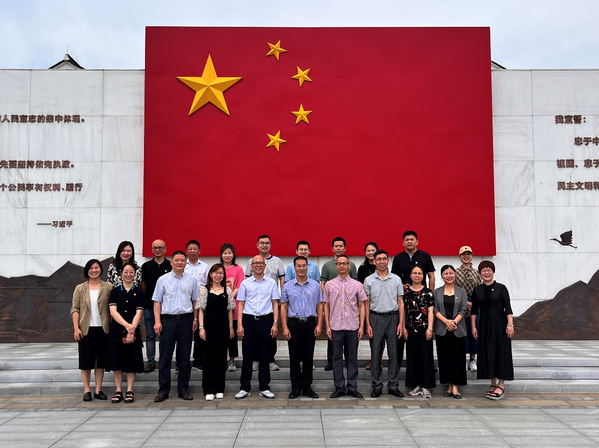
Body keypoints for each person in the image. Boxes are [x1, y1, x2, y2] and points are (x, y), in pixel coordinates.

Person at [153, 250, 200, 402]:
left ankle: (183, 390)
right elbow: (157, 302)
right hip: (168, 321)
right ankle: (163, 391)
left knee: (184, 357)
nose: (180, 262)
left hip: (186, 320)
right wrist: (157, 321)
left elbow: (195, 301)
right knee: (165, 357)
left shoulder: (191, 280)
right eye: (177, 260)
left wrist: (195, 319)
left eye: (182, 260)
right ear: (171, 262)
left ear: (186, 263)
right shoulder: (163, 280)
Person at [235, 255, 280, 399]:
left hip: (266, 321)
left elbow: (275, 303)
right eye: (256, 263)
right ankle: (244, 387)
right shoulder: (245, 283)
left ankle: (264, 387)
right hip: (249, 321)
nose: (258, 265)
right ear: (251, 266)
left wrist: (275, 323)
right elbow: (241, 304)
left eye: (261, 263)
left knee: (265, 355)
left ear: (265, 266)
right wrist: (240, 325)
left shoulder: (271, 283)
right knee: (247, 356)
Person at [324, 254, 367, 399]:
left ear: (349, 266)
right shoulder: (329, 285)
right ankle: (339, 387)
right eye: (339, 263)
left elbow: (362, 305)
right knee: (336, 358)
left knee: (352, 358)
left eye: (344, 263)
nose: (342, 266)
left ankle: (352, 387)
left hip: (353, 326)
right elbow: (326, 306)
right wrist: (327, 326)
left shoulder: (357, 285)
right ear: (336, 266)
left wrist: (361, 326)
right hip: (335, 326)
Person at [363, 250, 405, 398]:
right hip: (376, 318)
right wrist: (367, 324)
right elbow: (366, 303)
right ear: (374, 261)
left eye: (384, 259)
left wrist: (401, 323)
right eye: (378, 259)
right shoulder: (369, 280)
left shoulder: (396, 279)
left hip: (393, 318)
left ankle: (393, 385)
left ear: (388, 260)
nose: (381, 261)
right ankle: (377, 385)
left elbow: (400, 302)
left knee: (394, 354)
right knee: (376, 354)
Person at [471, 260, 514, 400]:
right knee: (487, 353)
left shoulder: (501, 288)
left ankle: (501, 385)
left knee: (501, 353)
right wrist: (473, 327)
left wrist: (510, 324)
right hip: (484, 326)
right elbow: (474, 311)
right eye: (483, 270)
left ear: (493, 271)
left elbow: (508, 309)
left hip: (500, 326)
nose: (486, 272)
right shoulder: (477, 290)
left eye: (489, 269)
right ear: (480, 273)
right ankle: (492, 383)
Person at [281, 256, 323, 399]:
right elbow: (284, 306)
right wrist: (284, 327)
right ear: (294, 268)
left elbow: (320, 304)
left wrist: (319, 324)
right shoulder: (287, 286)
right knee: (293, 357)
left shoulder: (315, 285)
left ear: (307, 267)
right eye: (298, 266)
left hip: (310, 323)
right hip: (294, 323)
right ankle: (295, 388)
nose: (301, 268)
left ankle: (307, 387)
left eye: (304, 266)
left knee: (308, 357)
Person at [70, 259, 112, 402]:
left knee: (100, 362)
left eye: (96, 268)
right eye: (91, 268)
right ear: (87, 271)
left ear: (101, 269)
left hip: (103, 329)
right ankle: (87, 389)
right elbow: (75, 309)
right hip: (85, 329)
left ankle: (98, 389)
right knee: (86, 361)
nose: (94, 271)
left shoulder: (108, 287)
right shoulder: (80, 288)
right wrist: (76, 328)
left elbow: (112, 308)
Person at [105, 262, 145, 403]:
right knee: (117, 360)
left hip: (133, 329)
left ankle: (129, 390)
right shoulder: (115, 291)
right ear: (121, 274)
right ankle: (118, 390)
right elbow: (113, 312)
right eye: (126, 272)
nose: (128, 275)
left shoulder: (139, 291)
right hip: (117, 330)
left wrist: (132, 329)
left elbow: (139, 312)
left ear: (135, 274)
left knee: (131, 359)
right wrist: (127, 326)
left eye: (131, 272)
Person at [244, 234, 285, 371]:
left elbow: (282, 280)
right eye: (262, 243)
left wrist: (282, 299)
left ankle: (270, 360)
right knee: (255, 336)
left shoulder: (277, 261)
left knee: (271, 333)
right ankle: (256, 360)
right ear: (257, 245)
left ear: (270, 245)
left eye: (267, 243)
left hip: (271, 303)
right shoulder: (251, 261)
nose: (264, 245)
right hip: (255, 304)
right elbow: (246, 281)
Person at [197, 264, 235, 401]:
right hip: (209, 328)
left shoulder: (227, 290)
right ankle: (209, 389)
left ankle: (219, 388)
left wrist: (231, 328)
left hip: (223, 328)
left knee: (221, 357)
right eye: (215, 273)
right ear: (211, 274)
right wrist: (201, 327)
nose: (218, 275)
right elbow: (201, 310)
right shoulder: (205, 291)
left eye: (221, 273)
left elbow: (229, 310)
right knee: (209, 358)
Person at [320, 236, 358, 371]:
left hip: (348, 306)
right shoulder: (327, 265)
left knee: (348, 340)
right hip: (333, 303)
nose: (338, 248)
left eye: (341, 246)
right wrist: (326, 300)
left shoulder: (351, 265)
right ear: (332, 248)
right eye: (336, 246)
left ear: (345, 248)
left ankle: (348, 362)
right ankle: (331, 362)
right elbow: (323, 283)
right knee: (333, 336)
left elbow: (355, 283)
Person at [433, 265, 468, 399]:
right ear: (442, 276)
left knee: (458, 358)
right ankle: (448, 385)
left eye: (451, 273)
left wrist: (453, 322)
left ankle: (456, 387)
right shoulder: (437, 292)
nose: (449, 276)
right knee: (444, 358)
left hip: (458, 329)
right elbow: (435, 309)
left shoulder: (461, 291)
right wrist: (446, 322)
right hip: (442, 329)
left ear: (455, 274)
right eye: (446, 273)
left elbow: (464, 309)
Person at [403, 265, 436, 398]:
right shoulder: (406, 293)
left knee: (426, 357)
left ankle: (426, 385)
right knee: (412, 357)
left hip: (424, 329)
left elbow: (431, 311)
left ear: (423, 276)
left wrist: (430, 328)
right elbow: (404, 311)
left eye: (420, 273)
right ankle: (415, 385)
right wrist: (403, 327)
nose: (417, 275)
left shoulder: (428, 292)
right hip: (410, 329)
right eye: (414, 273)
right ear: (410, 276)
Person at [141, 239, 172, 373]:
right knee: (150, 335)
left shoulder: (170, 265)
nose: (157, 250)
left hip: (166, 307)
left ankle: (164, 361)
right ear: (152, 249)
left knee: (165, 336)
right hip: (149, 306)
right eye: (155, 248)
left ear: (165, 249)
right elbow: (143, 285)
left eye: (160, 247)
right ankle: (151, 361)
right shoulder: (146, 266)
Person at [455, 245, 482, 372]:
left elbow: (480, 289)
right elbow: (454, 289)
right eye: (463, 254)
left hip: (475, 303)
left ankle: (472, 360)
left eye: (468, 254)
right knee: (462, 331)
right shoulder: (456, 272)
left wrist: (474, 303)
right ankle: (461, 359)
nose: (466, 256)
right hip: (460, 302)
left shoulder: (477, 272)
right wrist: (465, 302)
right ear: (460, 256)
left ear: (472, 256)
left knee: (474, 330)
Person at [184, 239, 209, 372]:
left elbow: (208, 284)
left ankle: (198, 360)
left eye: (195, 249)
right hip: (185, 302)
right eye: (190, 249)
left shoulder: (205, 267)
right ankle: (182, 362)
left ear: (199, 251)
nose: (192, 251)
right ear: (187, 251)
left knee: (200, 331)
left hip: (200, 304)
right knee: (184, 334)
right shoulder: (183, 265)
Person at [220, 243, 244, 372]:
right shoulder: (218, 268)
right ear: (221, 255)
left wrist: (228, 298)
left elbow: (239, 286)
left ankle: (232, 360)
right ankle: (221, 360)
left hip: (234, 308)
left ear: (233, 255)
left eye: (230, 253)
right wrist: (222, 299)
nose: (227, 255)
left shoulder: (238, 269)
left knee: (232, 335)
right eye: (225, 253)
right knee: (221, 336)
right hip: (220, 308)